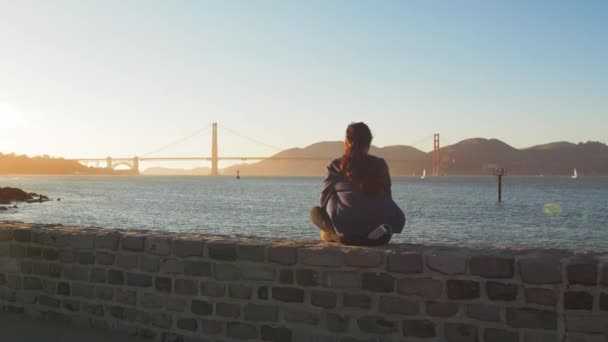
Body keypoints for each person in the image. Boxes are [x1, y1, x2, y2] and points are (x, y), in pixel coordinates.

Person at [310, 122, 406, 246]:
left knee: (315, 211)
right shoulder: (380, 164)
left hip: (347, 227)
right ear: (369, 144)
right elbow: (387, 196)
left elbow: (323, 199)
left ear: (346, 142)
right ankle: (373, 235)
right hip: (377, 228)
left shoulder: (335, 165)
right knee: (384, 205)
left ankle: (338, 235)